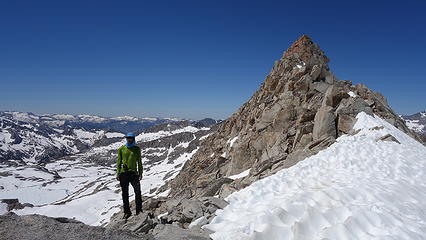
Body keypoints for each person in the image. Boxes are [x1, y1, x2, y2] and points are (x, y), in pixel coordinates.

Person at [116, 132, 143, 219]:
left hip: (134, 173)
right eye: (128, 138)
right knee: (125, 194)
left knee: (138, 192)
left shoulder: (136, 149)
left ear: (133, 138)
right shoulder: (121, 149)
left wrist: (140, 172)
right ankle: (127, 212)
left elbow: (139, 162)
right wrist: (118, 173)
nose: (129, 139)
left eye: (130, 138)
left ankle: (139, 210)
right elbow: (119, 162)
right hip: (123, 173)